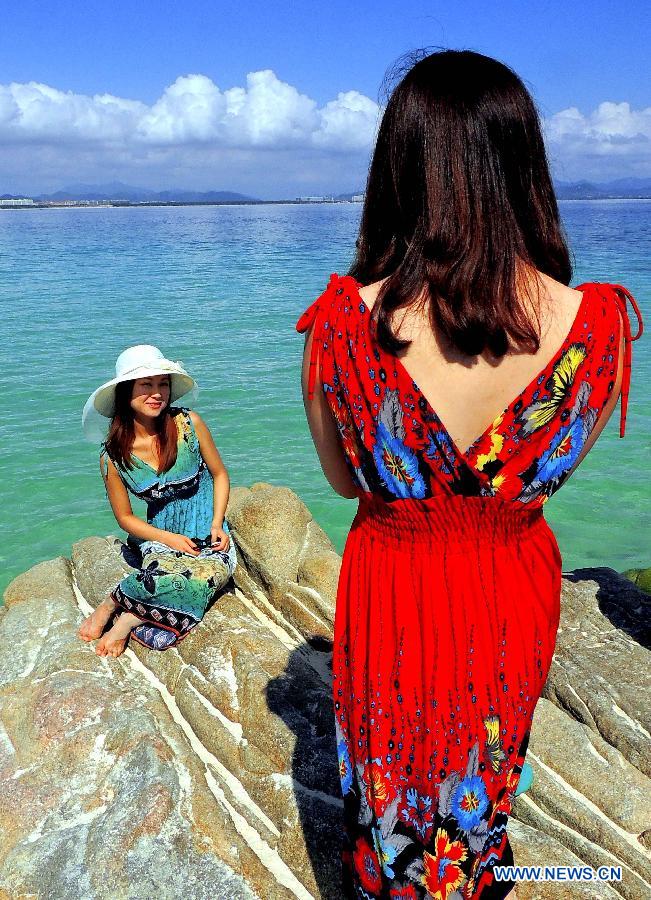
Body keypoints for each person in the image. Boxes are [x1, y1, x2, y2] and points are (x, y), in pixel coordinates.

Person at [295, 50, 643, 899]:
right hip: (509, 583)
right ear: (524, 165)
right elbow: (544, 478)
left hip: (394, 579)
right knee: (487, 754)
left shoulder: (343, 324)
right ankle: (471, 867)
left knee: (390, 771)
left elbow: (344, 483)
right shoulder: (597, 326)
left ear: (397, 167)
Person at [78, 344, 237, 656]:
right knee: (162, 578)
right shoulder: (112, 456)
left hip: (208, 529)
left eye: (163, 384)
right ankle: (111, 603)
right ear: (126, 392)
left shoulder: (189, 424)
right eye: (146, 385)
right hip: (159, 536)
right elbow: (125, 518)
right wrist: (169, 540)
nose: (157, 393)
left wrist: (217, 523)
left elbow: (219, 474)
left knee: (205, 579)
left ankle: (125, 616)